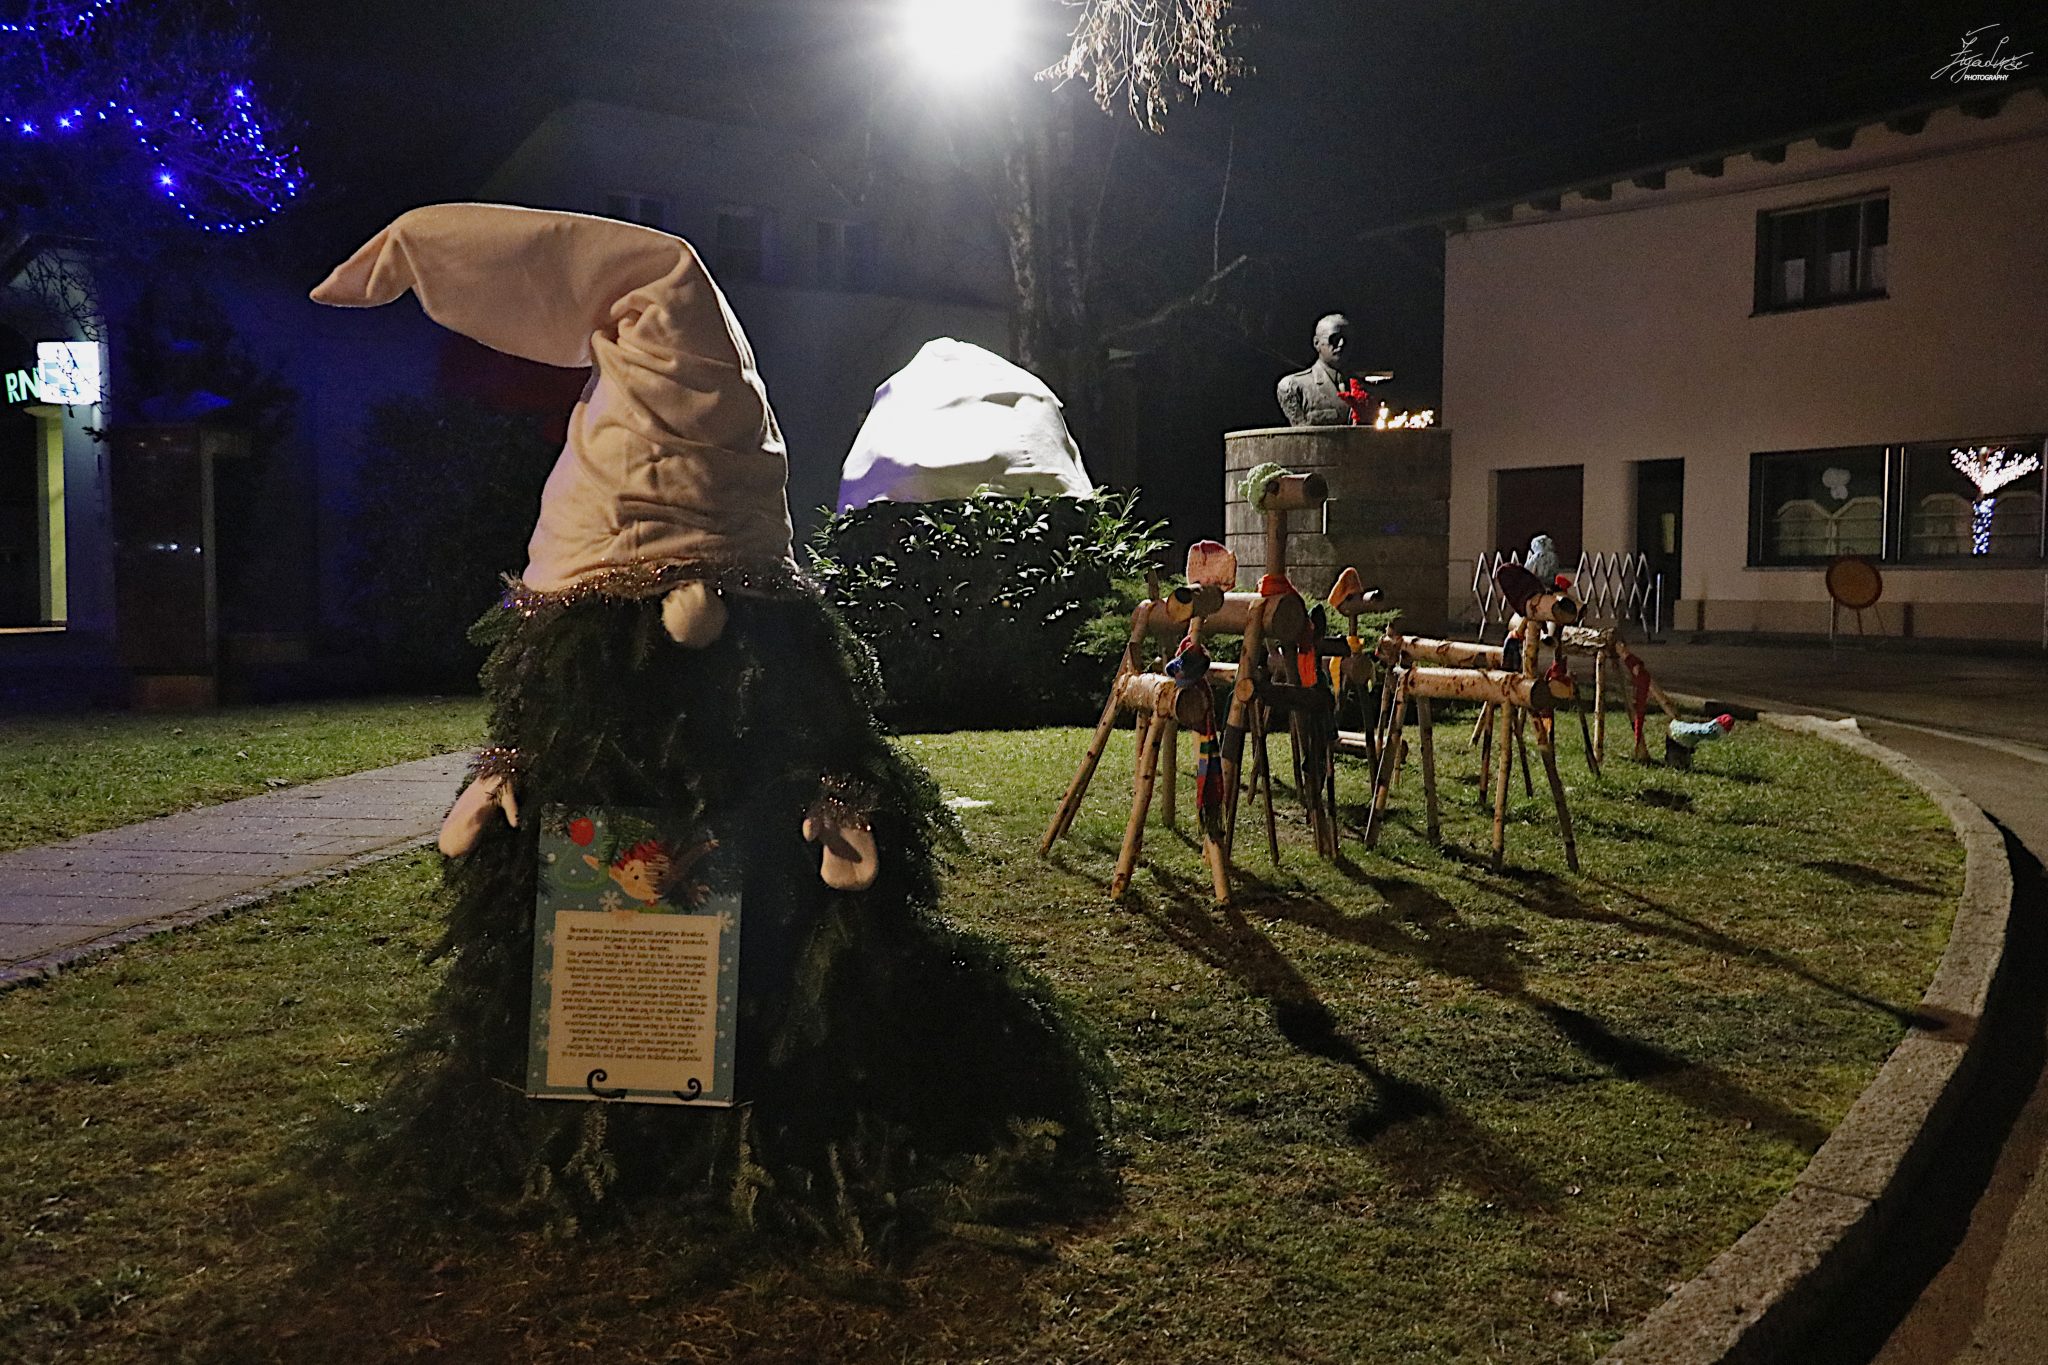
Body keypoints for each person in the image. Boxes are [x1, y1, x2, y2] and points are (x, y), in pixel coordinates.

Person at [1276, 313, 1391, 426]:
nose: (1341, 344)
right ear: (1316, 343)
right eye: (1334, 338)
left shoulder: (1365, 388)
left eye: (1347, 340)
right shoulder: (1293, 387)